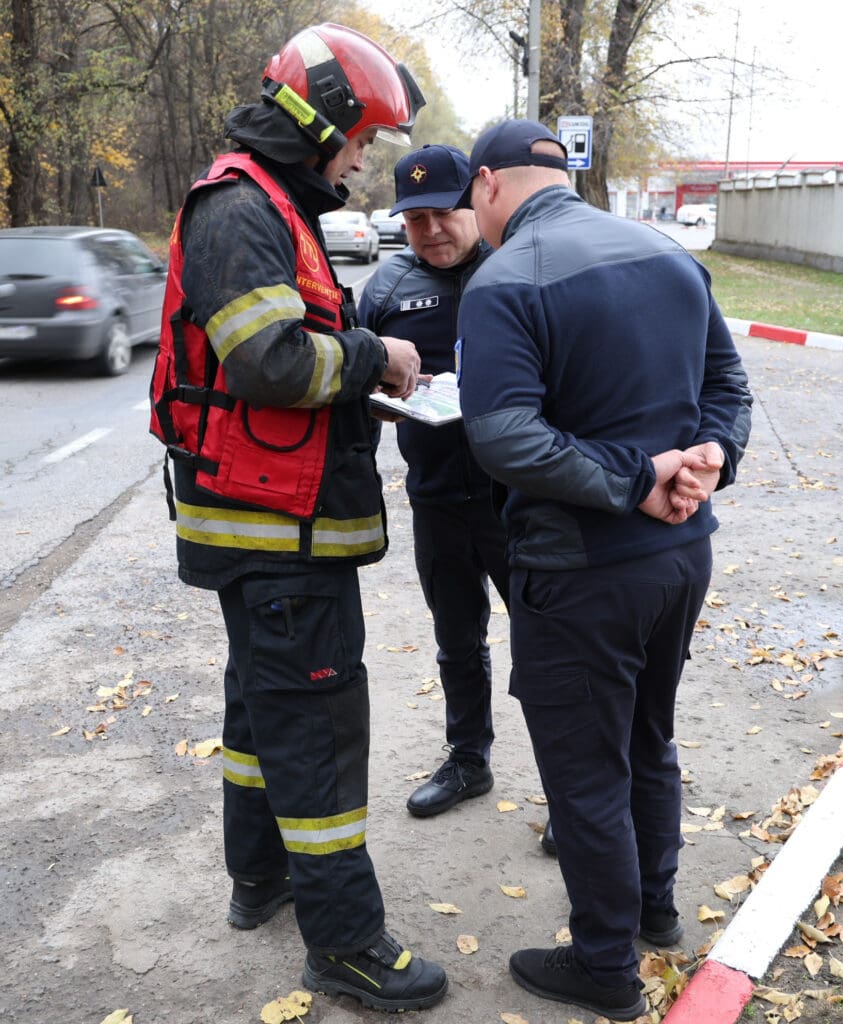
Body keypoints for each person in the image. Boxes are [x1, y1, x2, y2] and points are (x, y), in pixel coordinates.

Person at [148, 23, 448, 1012]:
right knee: (317, 729)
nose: (363, 161)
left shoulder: (267, 201)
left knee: (261, 715)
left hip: (264, 526)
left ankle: (260, 877)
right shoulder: (244, 207)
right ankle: (347, 945)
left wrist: (360, 364)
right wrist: (376, 359)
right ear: (320, 123)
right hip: (276, 532)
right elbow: (269, 363)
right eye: (361, 139)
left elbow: (287, 344)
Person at [454, 119, 753, 1021]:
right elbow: (728, 389)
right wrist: (709, 462)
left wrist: (637, 479)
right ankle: (654, 909)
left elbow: (504, 437)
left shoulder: (503, 278)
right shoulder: (667, 255)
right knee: (646, 739)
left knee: (586, 773)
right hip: (678, 559)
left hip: (580, 572)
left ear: (486, 185)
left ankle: (604, 965)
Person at [357, 144, 512, 820]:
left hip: (521, 498)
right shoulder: (386, 289)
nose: (432, 230)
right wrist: (376, 405)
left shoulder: (515, 269)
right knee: (457, 638)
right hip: (438, 498)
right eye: (415, 219)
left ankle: (575, 787)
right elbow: (355, 386)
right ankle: (468, 759)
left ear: (474, 202)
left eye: (444, 212)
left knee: (552, 644)